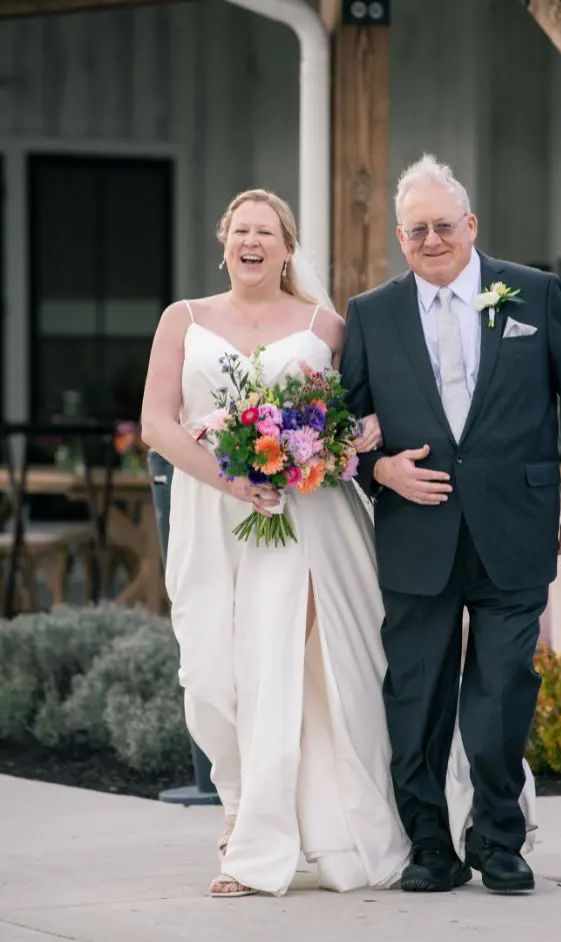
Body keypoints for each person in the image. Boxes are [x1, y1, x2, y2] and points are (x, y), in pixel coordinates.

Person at [340, 155, 561, 895]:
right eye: (417, 229)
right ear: (401, 237)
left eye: (444, 225)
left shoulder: (535, 294)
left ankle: (497, 838)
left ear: (472, 226)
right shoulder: (369, 314)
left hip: (514, 529)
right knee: (417, 697)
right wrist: (379, 470)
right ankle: (430, 845)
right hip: (415, 533)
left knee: (499, 696)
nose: (432, 239)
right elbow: (345, 429)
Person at [141, 189, 410, 897]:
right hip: (212, 513)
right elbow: (157, 425)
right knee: (210, 673)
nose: (252, 242)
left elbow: (357, 416)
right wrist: (230, 481)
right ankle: (238, 803)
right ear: (224, 242)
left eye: (266, 231)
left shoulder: (326, 325)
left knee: (279, 666)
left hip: (304, 520)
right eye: (241, 231)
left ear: (288, 249)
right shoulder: (184, 319)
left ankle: (254, 843)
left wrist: (343, 445)